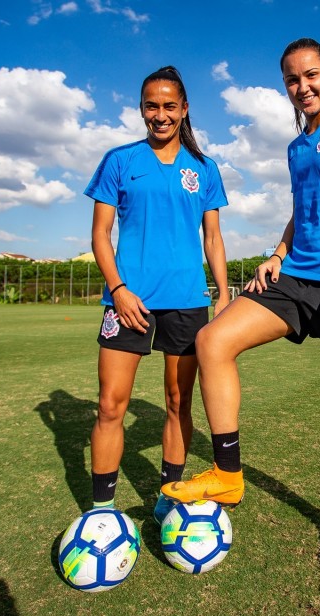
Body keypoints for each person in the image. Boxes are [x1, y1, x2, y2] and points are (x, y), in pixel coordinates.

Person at [162, 38, 320, 567]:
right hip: (295, 277)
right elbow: (303, 209)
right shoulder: (296, 147)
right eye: (292, 79)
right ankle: (227, 474)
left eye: (311, 75)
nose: (302, 87)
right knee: (213, 340)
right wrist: (278, 251)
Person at [85, 66, 229, 524]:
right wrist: (119, 290)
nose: (160, 115)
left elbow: (212, 239)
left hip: (187, 301)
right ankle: (103, 510)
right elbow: (101, 235)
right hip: (128, 302)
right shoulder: (119, 161)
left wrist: (223, 293)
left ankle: (168, 498)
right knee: (110, 405)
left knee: (177, 403)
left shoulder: (204, 168)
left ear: (184, 109)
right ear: (141, 109)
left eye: (169, 106)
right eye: (152, 105)